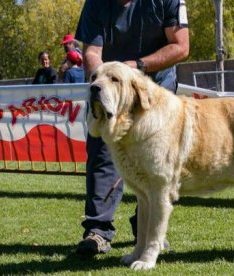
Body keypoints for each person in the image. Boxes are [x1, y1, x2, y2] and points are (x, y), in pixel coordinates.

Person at [74, 0, 189, 256]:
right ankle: (97, 231)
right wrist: (103, 80)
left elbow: (181, 46)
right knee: (102, 155)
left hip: (155, 93)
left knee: (155, 165)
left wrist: (136, 67)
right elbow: (91, 52)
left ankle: (148, 232)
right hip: (111, 93)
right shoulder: (95, 4)